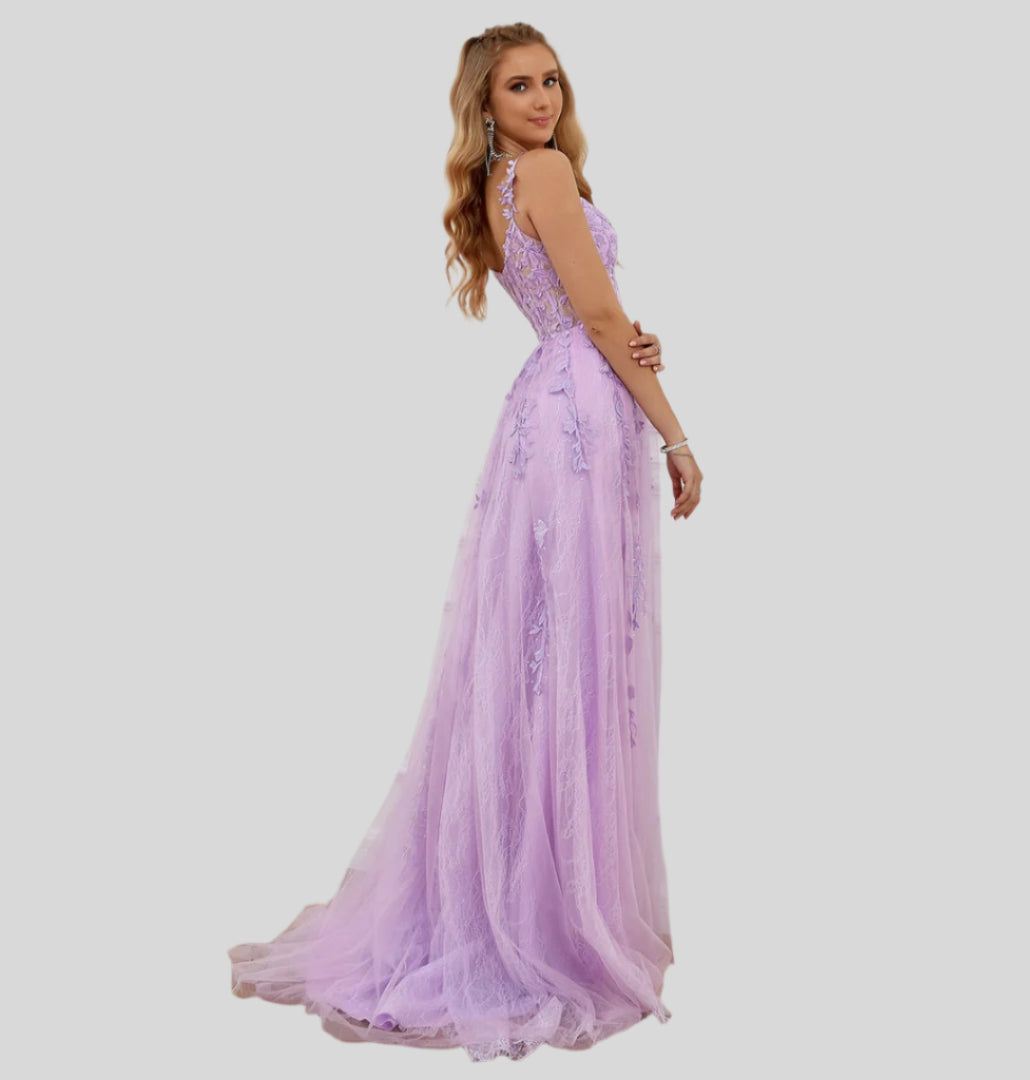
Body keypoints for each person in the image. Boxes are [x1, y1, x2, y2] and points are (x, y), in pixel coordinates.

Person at [228, 22, 703, 1063]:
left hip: (550, 402)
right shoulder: (545, 171)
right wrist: (675, 432)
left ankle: (527, 894)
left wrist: (627, 339)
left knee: (536, 656)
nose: (542, 98)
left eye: (551, 80)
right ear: (485, 106)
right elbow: (596, 314)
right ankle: (550, 917)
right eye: (518, 86)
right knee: (568, 653)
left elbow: (587, 315)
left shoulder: (499, 183)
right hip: (580, 416)